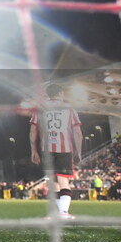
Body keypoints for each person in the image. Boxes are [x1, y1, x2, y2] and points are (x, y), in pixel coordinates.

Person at [30, 83, 82, 219]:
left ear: (48, 94)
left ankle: (56, 213)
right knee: (63, 181)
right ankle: (63, 212)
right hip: (64, 149)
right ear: (60, 93)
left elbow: (33, 130)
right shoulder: (69, 109)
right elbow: (77, 132)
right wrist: (79, 151)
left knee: (52, 182)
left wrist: (33, 150)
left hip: (46, 149)